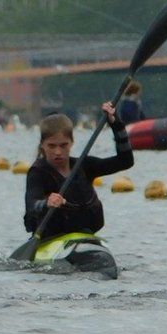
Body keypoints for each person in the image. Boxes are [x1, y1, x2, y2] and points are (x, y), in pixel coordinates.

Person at [23, 102, 133, 241]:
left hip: (85, 236)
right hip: (52, 238)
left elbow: (125, 161)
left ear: (72, 142)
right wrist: (46, 203)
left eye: (64, 145)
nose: (58, 152)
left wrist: (116, 125)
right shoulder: (38, 173)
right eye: (51, 146)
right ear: (42, 145)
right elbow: (31, 206)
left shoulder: (84, 165)